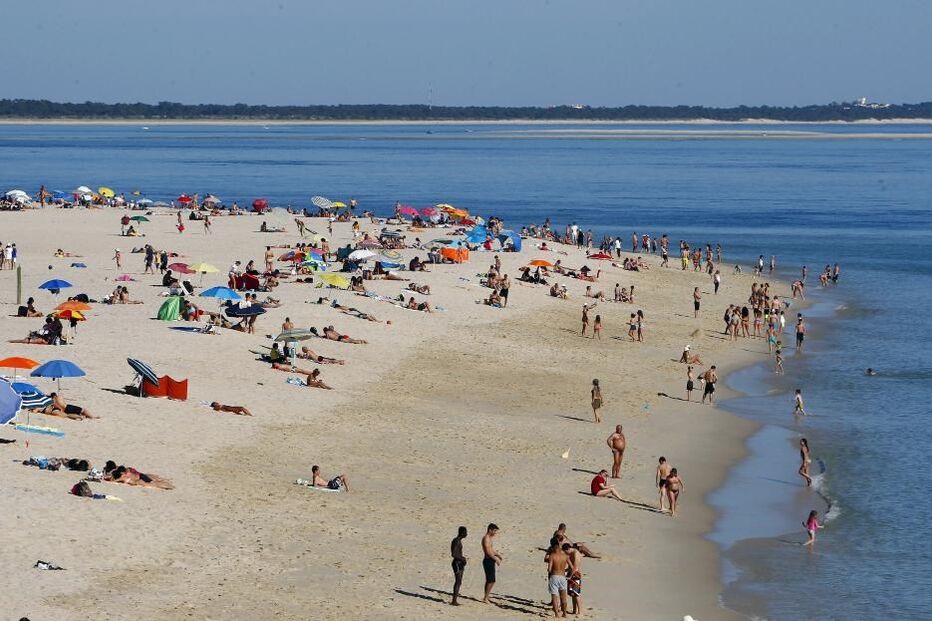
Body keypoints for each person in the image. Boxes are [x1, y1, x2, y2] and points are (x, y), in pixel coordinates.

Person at [545, 543, 570, 618]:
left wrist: (551, 570)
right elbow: (571, 567)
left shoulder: (552, 556)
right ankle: (564, 613)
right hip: (562, 577)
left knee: (555, 596)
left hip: (554, 576)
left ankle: (556, 614)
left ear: (554, 549)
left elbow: (549, 569)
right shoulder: (565, 556)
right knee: (563, 597)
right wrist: (566, 572)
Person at [481, 524, 502, 604]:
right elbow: (487, 551)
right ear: (490, 530)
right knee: (491, 580)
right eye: (494, 531)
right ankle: (485, 597)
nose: (495, 532)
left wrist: (497, 554)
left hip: (490, 560)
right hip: (488, 560)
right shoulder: (486, 538)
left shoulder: (489, 538)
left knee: (490, 580)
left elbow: (491, 549)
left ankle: (486, 596)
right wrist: (495, 559)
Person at [564, 542, 583, 617]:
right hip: (571, 574)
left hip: (575, 575)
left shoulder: (575, 553)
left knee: (576, 594)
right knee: (572, 594)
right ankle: (574, 610)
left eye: (566, 552)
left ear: (568, 549)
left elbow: (575, 568)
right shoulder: (571, 553)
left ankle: (580, 612)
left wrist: (569, 576)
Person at [450, 526, 468, 606]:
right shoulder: (456, 541)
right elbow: (453, 554)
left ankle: (455, 599)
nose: (466, 534)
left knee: (459, 581)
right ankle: (454, 601)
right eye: (465, 532)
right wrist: (462, 558)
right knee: (458, 581)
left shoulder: (458, 541)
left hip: (459, 562)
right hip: (457, 563)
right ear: (462, 533)